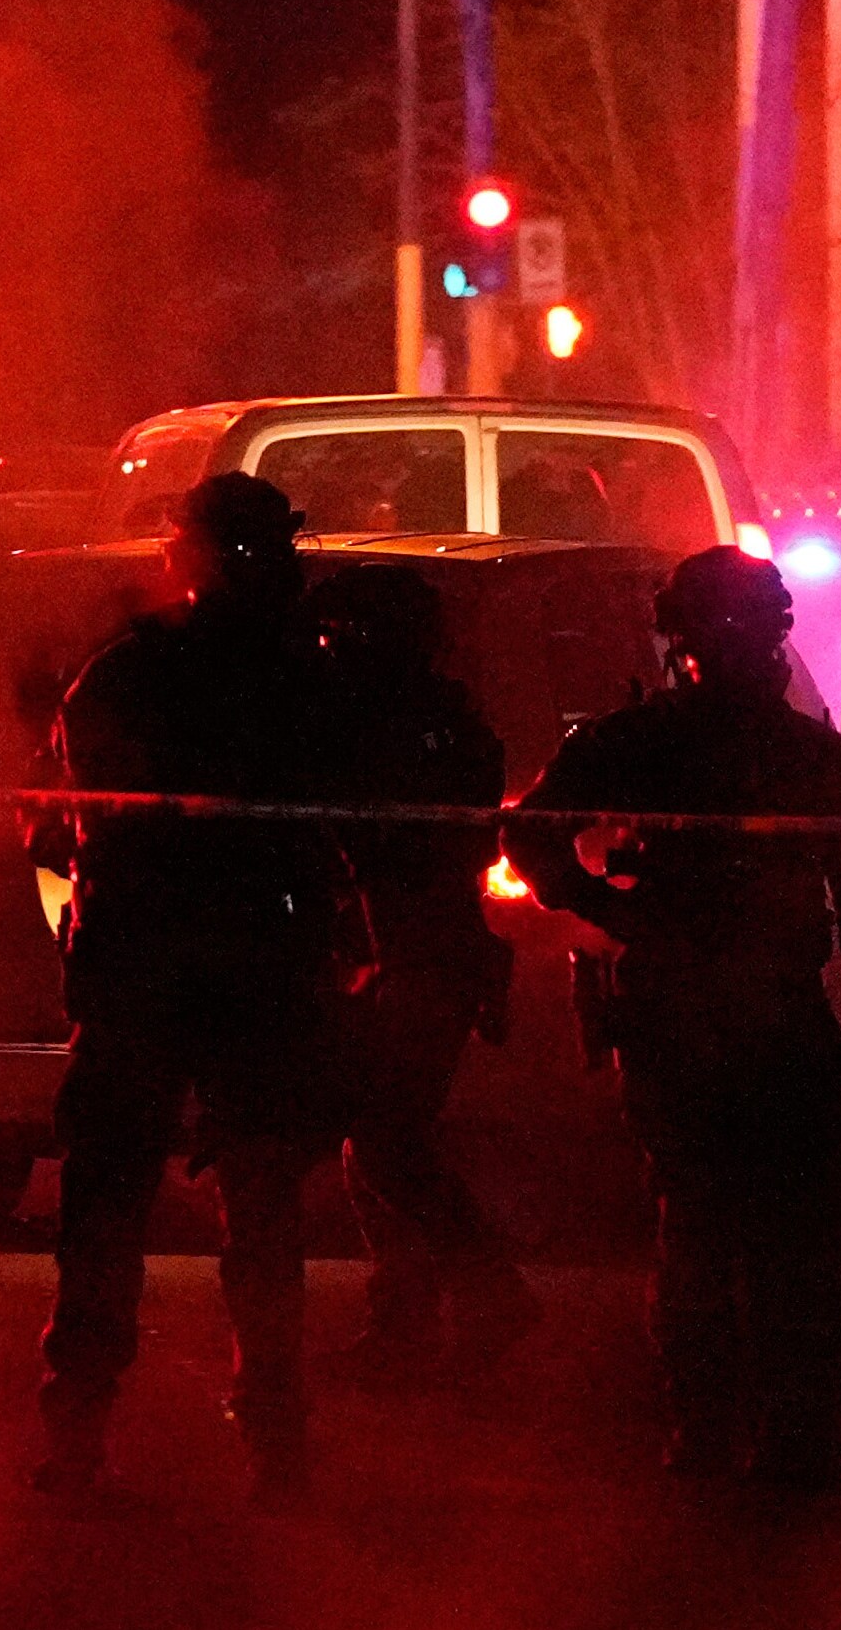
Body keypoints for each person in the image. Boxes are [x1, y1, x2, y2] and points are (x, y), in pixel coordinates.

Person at [35, 473, 368, 1495]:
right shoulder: (309, 679)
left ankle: (83, 1432)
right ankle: (272, 1440)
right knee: (255, 1215)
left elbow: (61, 824)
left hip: (158, 965)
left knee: (117, 1208)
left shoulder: (132, 673)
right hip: (246, 966)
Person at [516, 545, 841, 1492]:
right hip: (732, 1013)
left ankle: (719, 1431)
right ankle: (772, 1438)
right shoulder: (792, 751)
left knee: (708, 1226)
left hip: (706, 1009)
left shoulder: (639, 742)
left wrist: (612, 912)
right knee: (768, 1232)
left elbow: (529, 834)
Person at [310, 560, 535, 1384]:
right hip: (401, 952)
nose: (327, 653)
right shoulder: (429, 718)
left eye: (337, 638)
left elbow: (404, 846)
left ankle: (487, 1292)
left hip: (421, 952)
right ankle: (404, 1321)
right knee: (374, 1141)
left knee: (386, 1144)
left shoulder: (405, 725)